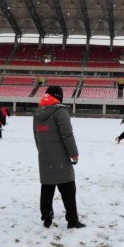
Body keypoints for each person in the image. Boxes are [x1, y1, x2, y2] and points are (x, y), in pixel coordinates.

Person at [33, 86, 85, 229]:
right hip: (61, 158)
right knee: (68, 189)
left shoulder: (38, 112)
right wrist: (74, 154)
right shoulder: (60, 111)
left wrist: (43, 152)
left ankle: (47, 217)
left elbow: (36, 137)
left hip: (45, 157)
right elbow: (67, 135)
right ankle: (72, 220)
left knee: (47, 188)